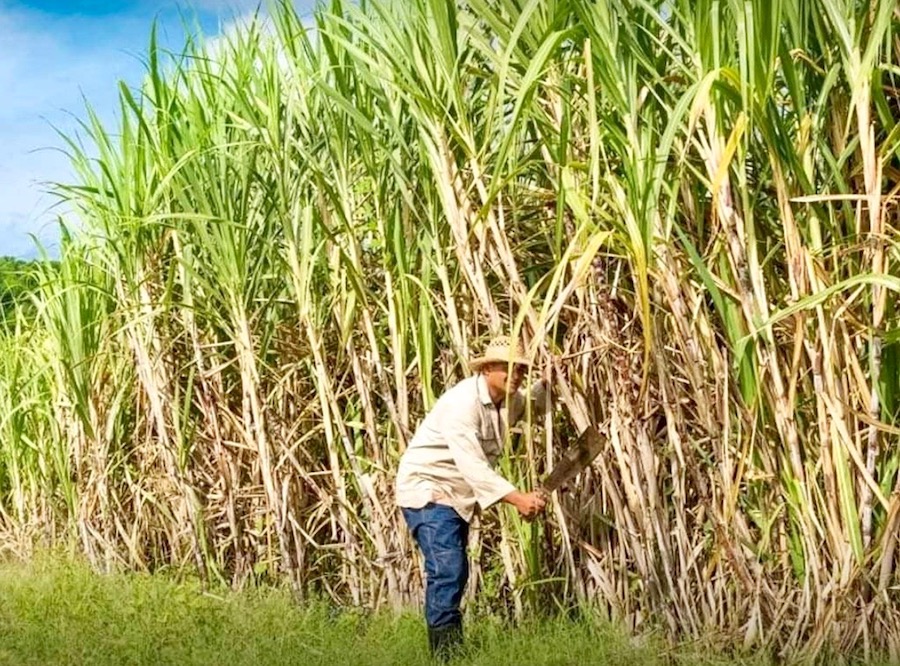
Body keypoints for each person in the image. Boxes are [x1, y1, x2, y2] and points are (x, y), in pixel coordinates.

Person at [396, 335, 549, 659]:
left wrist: (553, 382)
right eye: (509, 368)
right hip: (429, 490)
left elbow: (533, 406)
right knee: (448, 570)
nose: (517, 375)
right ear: (488, 368)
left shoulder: (507, 401)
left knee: (453, 570)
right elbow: (473, 466)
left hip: (457, 498)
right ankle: (446, 656)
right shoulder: (461, 403)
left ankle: (450, 653)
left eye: (521, 370)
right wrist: (518, 498)